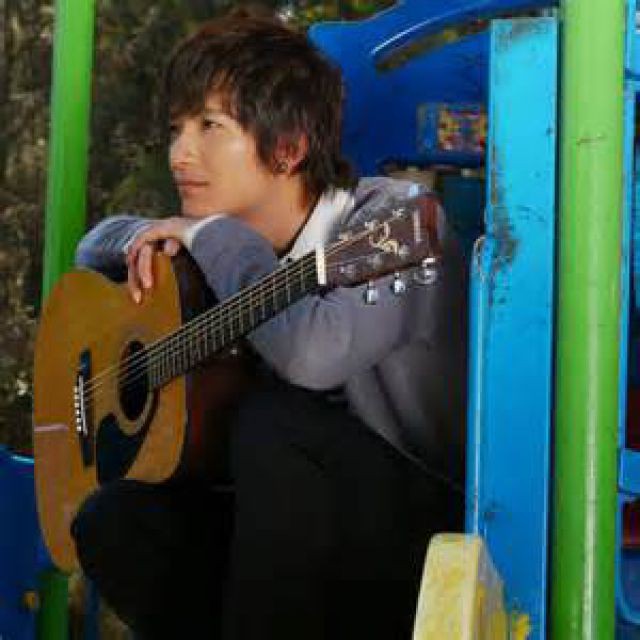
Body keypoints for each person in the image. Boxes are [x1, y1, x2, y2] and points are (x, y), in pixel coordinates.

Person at [70, 11, 467, 640]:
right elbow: (92, 247)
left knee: (276, 421)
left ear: (288, 149)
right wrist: (150, 237)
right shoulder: (208, 251)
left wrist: (214, 237)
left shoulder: (391, 220)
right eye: (176, 129)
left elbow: (313, 354)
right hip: (283, 540)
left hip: (422, 535)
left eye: (210, 126)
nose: (180, 153)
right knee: (114, 520)